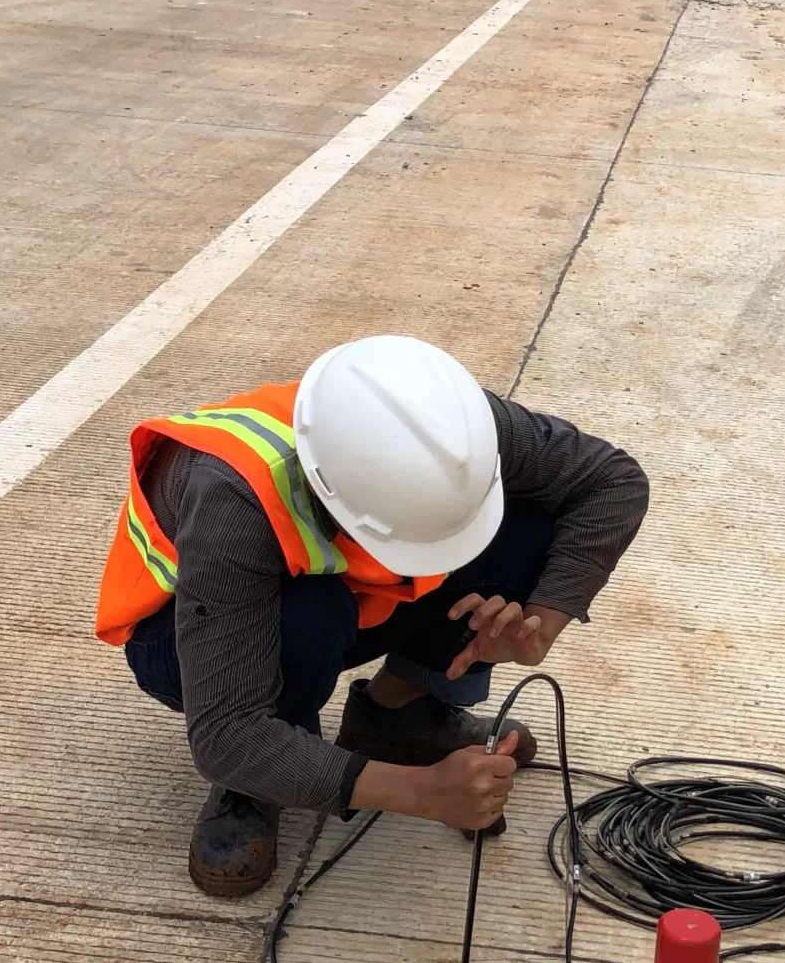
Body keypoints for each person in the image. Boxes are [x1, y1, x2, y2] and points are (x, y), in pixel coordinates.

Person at [97, 335, 649, 897]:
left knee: (528, 517)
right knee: (306, 617)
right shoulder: (231, 498)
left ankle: (397, 714)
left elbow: (612, 483)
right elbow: (225, 734)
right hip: (193, 643)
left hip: (347, 604)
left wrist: (539, 625)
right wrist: (423, 792)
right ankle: (267, 772)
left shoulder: (454, 427)